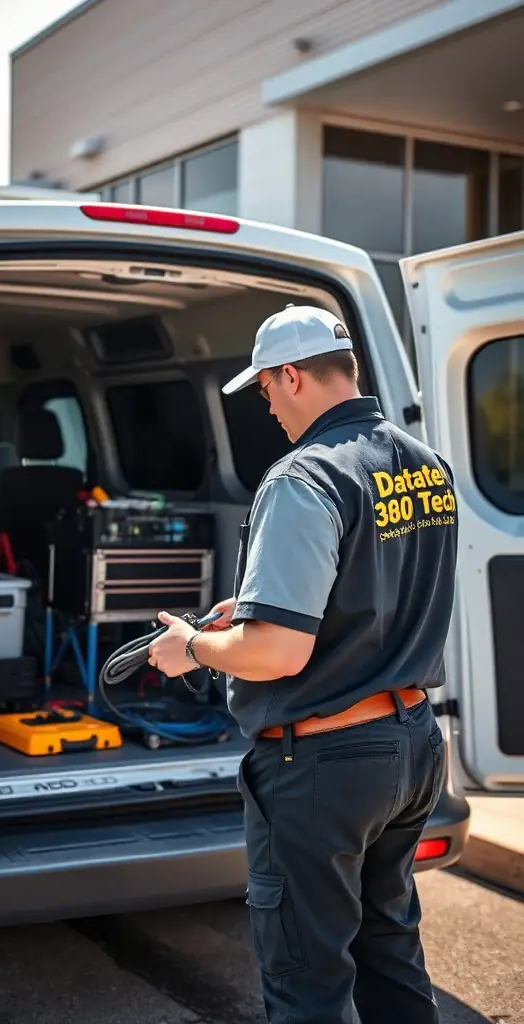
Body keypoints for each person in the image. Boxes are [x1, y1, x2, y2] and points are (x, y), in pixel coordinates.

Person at [148, 304, 458, 1024]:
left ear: (292, 376)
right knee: (390, 951)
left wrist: (191, 646)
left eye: (263, 389)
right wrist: (252, 612)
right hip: (413, 746)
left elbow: (275, 654)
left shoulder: (303, 477)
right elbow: (369, 590)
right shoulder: (425, 464)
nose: (268, 407)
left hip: (325, 767)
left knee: (306, 984)